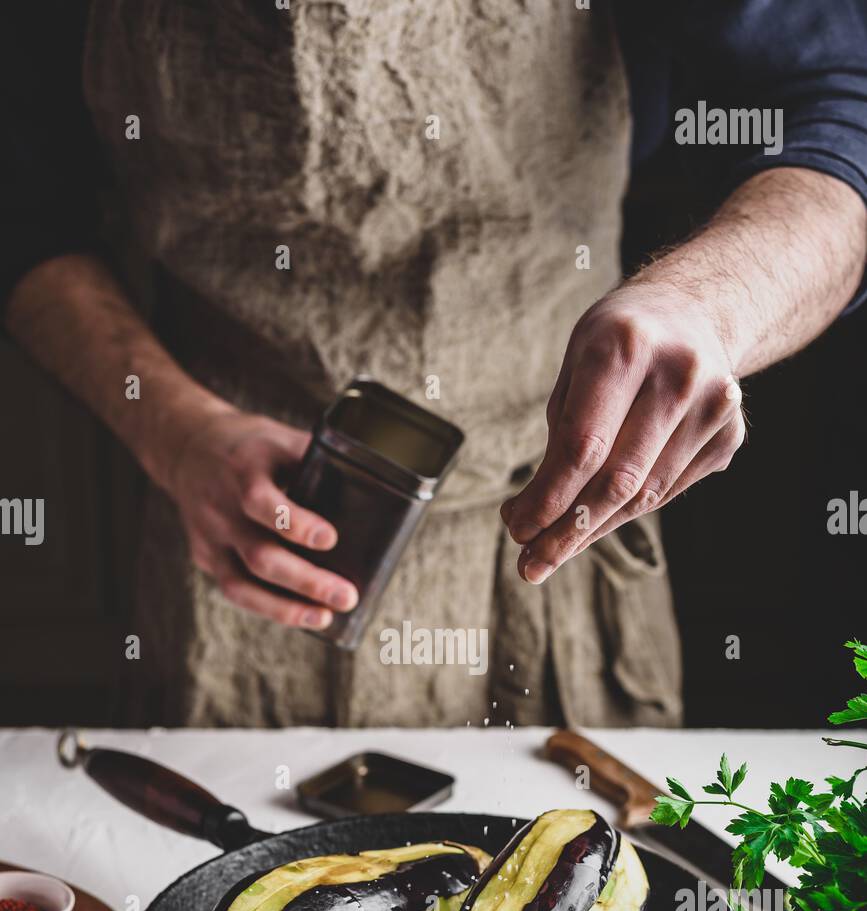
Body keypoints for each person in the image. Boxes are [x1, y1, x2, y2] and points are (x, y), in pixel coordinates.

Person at [3, 1, 867, 729]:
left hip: (552, 556)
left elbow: (844, 101)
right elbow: (24, 205)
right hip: (227, 562)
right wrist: (173, 428)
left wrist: (706, 305)